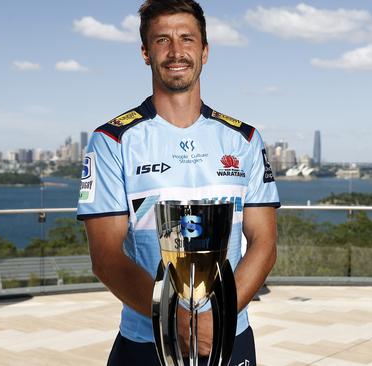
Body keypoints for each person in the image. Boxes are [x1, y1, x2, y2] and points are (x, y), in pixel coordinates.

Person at [76, 0, 280, 365]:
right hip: (146, 341)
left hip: (229, 337)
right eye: (161, 40)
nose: (175, 51)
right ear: (144, 52)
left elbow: (264, 243)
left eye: (187, 39)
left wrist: (218, 316)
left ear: (204, 50)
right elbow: (105, 257)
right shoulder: (111, 141)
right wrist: (175, 320)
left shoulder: (244, 139)